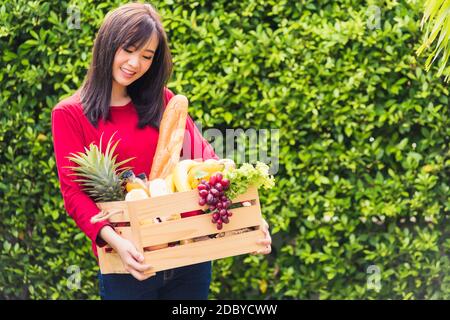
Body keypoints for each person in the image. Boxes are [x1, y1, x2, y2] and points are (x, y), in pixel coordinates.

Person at [51, 2, 271, 300]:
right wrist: (117, 243)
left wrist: (250, 215)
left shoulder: (164, 102)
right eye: (128, 49)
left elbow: (208, 164)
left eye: (146, 56)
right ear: (107, 44)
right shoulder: (69, 114)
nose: (134, 63)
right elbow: (74, 195)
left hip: (189, 254)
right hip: (129, 261)